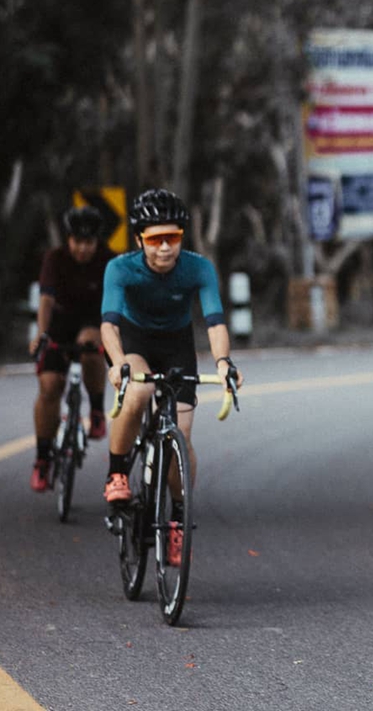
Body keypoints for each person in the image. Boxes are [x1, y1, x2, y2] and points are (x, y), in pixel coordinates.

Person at [100, 188, 243, 562]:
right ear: (139, 240)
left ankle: (178, 521)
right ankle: (117, 474)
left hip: (177, 343)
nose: (165, 248)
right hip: (134, 340)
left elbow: (214, 323)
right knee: (139, 394)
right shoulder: (120, 269)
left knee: (183, 437)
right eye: (155, 240)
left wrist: (224, 363)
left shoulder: (198, 268)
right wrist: (118, 364)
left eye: (173, 238)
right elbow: (109, 325)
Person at [28, 205, 114, 492]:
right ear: (68, 240)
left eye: (88, 242)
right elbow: (46, 300)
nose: (82, 248)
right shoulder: (55, 258)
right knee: (50, 385)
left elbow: (116, 304)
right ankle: (42, 458)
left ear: (97, 241)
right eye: (77, 241)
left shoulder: (107, 260)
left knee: (89, 345)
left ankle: (98, 411)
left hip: (93, 319)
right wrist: (42, 334)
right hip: (60, 321)